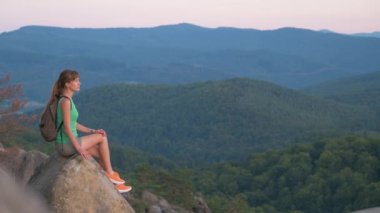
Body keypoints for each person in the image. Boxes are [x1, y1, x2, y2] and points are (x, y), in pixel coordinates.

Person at [48, 69, 131, 193]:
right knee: (102, 138)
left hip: (70, 142)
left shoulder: (68, 100)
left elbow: (73, 124)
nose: (79, 83)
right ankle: (110, 173)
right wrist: (79, 148)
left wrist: (92, 131)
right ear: (67, 84)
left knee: (101, 153)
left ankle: (113, 184)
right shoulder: (65, 101)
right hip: (65, 145)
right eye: (76, 81)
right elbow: (66, 127)